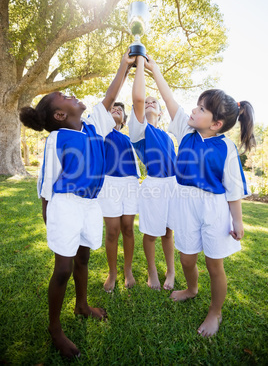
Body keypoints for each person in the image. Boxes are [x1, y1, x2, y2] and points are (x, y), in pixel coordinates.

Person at [19, 51, 136, 359]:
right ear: (59, 116)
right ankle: (55, 328)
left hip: (90, 205)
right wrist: (50, 218)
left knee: (84, 257)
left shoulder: (94, 127)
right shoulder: (57, 140)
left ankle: (81, 305)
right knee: (63, 268)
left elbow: (110, 97)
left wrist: (125, 65)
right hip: (65, 206)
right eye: (65, 97)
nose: (73, 96)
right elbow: (47, 185)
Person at [150, 60, 255, 337]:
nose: (194, 110)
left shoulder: (226, 148)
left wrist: (238, 221)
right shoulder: (185, 132)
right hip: (184, 205)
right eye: (196, 106)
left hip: (213, 210)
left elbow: (232, 192)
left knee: (214, 265)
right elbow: (169, 99)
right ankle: (192, 288)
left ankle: (215, 311)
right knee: (186, 259)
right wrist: (156, 71)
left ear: (216, 124)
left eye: (201, 109)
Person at [128, 55, 177, 291]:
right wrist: (140, 65)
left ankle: (171, 270)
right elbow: (138, 98)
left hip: (173, 186)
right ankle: (152, 272)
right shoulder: (139, 130)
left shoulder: (168, 136)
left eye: (153, 102)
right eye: (146, 102)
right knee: (151, 233)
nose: (149, 103)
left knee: (168, 232)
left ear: (161, 112)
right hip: (154, 185)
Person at [98, 102, 140, 292]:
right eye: (113, 108)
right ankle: (113, 272)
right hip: (109, 183)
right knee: (113, 231)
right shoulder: (102, 133)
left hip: (130, 183)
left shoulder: (129, 139)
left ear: (124, 120)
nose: (116, 109)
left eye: (120, 110)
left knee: (128, 229)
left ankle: (128, 270)